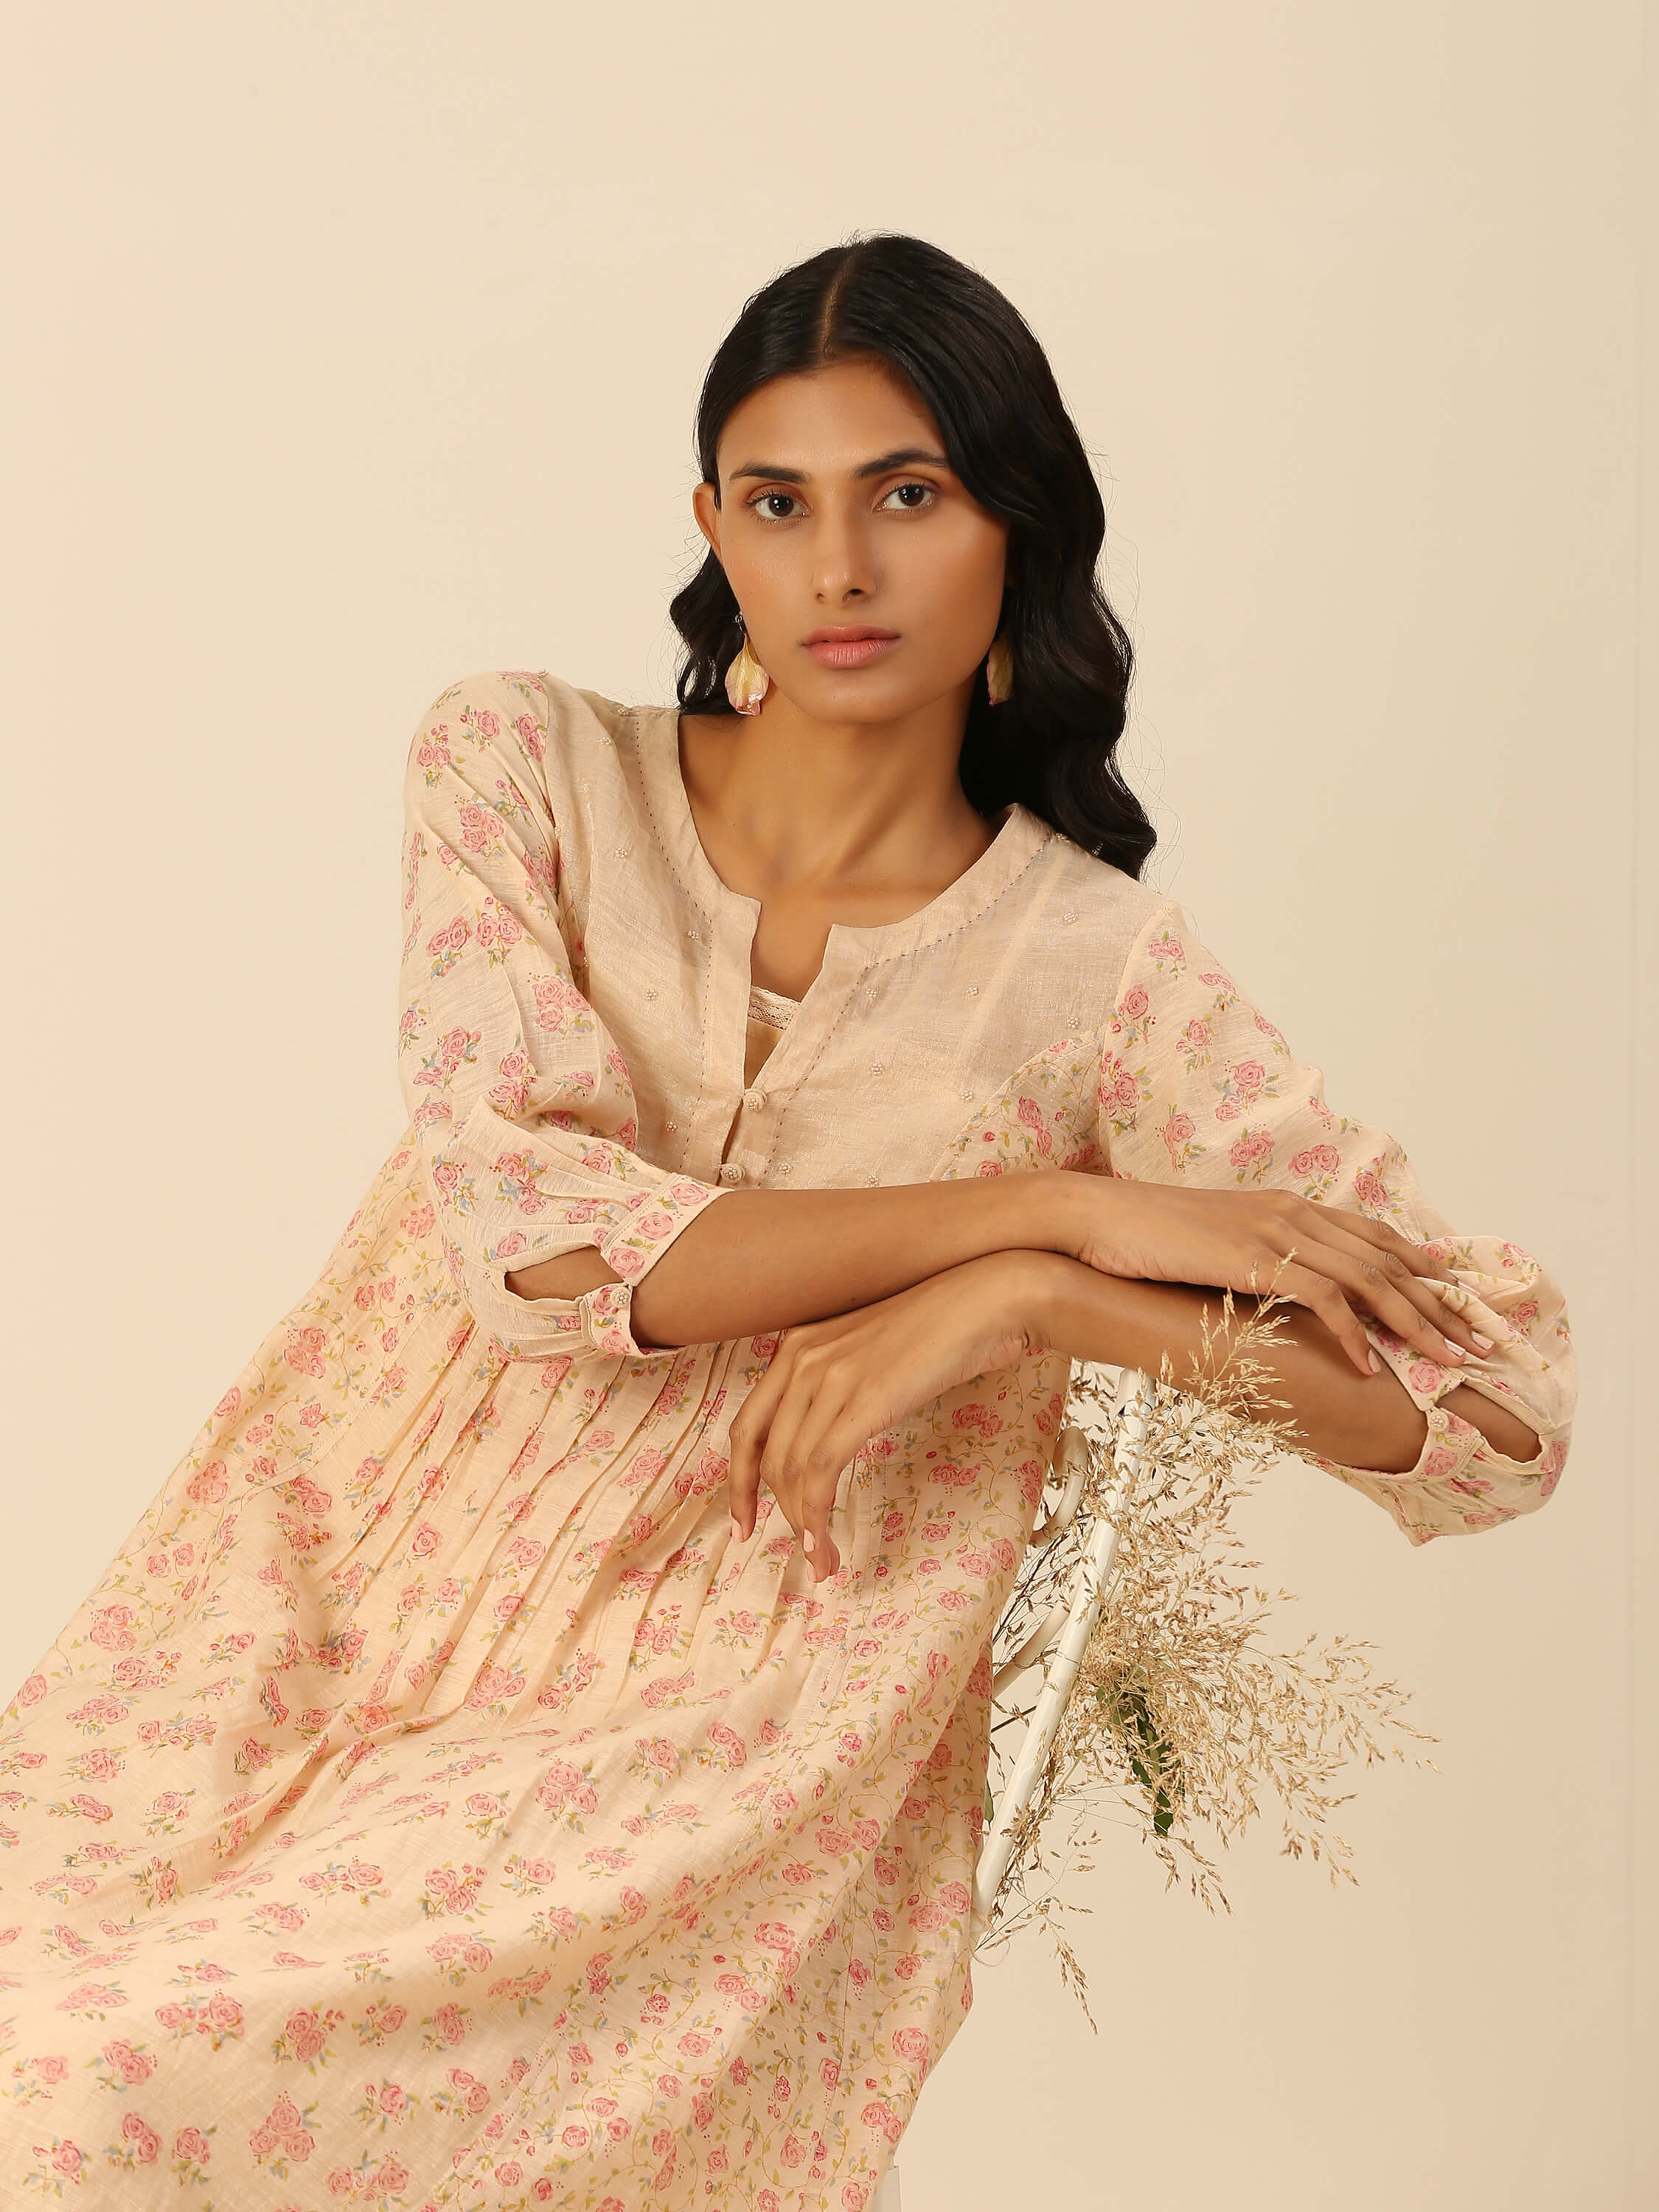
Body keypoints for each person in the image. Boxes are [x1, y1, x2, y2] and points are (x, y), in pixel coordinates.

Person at [0, 235, 1573, 2212]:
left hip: (702, 1743)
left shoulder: (1100, 973)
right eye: (779, 502)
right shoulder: (525, 770)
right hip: (291, 1601)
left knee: (86, 2103)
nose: (839, 568)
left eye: (906, 495)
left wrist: (1040, 1309)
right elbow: (533, 1236)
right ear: (712, 534)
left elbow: (1499, 1419)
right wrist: (1049, 1210)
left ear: (1017, 523)